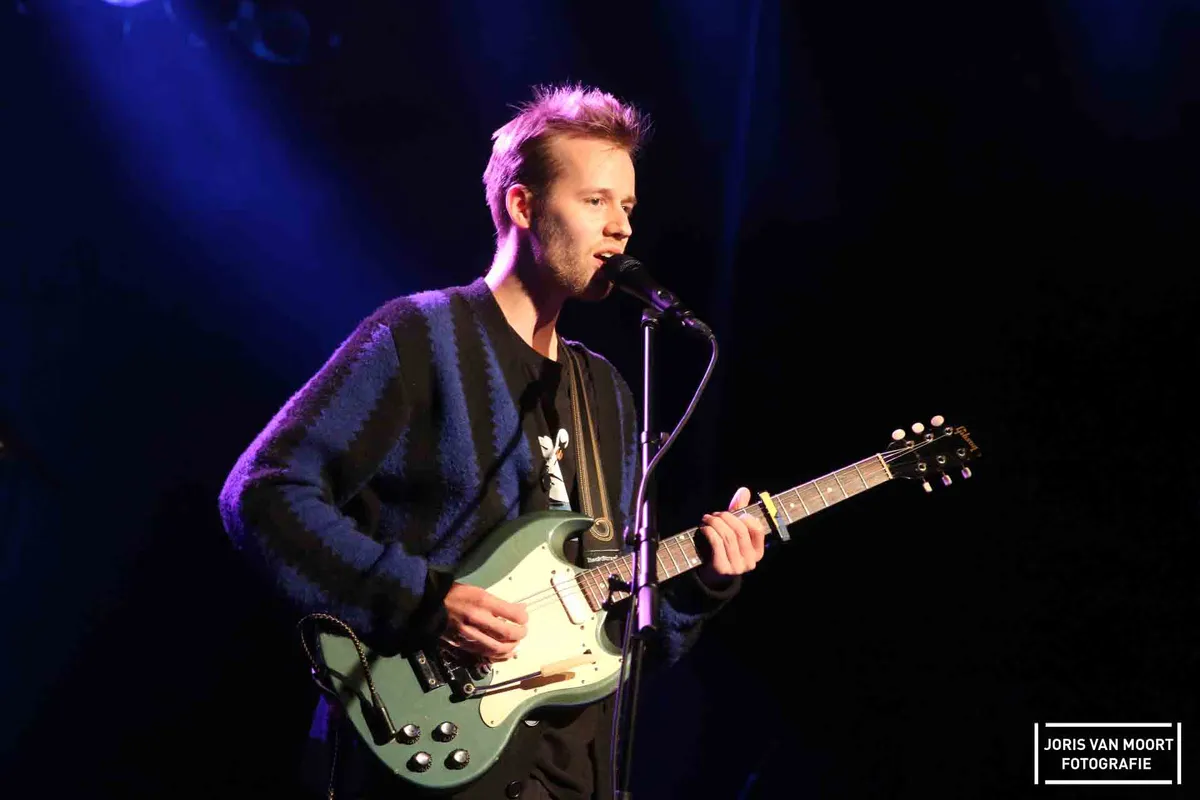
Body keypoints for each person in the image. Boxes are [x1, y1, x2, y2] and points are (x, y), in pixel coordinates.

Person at [218, 82, 767, 800]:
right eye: (596, 201)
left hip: (573, 776)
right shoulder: (420, 337)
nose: (621, 229)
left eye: (628, 207)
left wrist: (703, 583)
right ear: (522, 205)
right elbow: (262, 493)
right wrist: (423, 601)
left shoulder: (605, 392)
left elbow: (624, 642)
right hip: (431, 759)